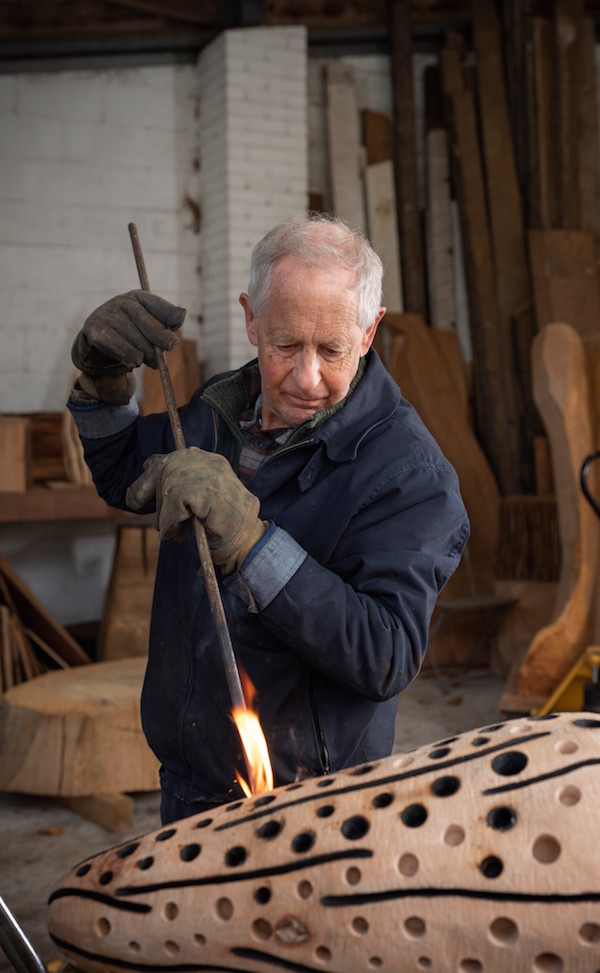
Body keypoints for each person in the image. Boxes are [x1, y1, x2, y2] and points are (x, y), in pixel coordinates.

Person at [68, 212, 469, 824]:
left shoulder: (411, 475)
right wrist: (102, 381)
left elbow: (383, 654)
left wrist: (251, 543)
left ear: (368, 332)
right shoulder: (222, 408)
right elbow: (125, 473)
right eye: (285, 346)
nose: (307, 378)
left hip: (313, 805)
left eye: (332, 349)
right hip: (191, 779)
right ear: (251, 318)